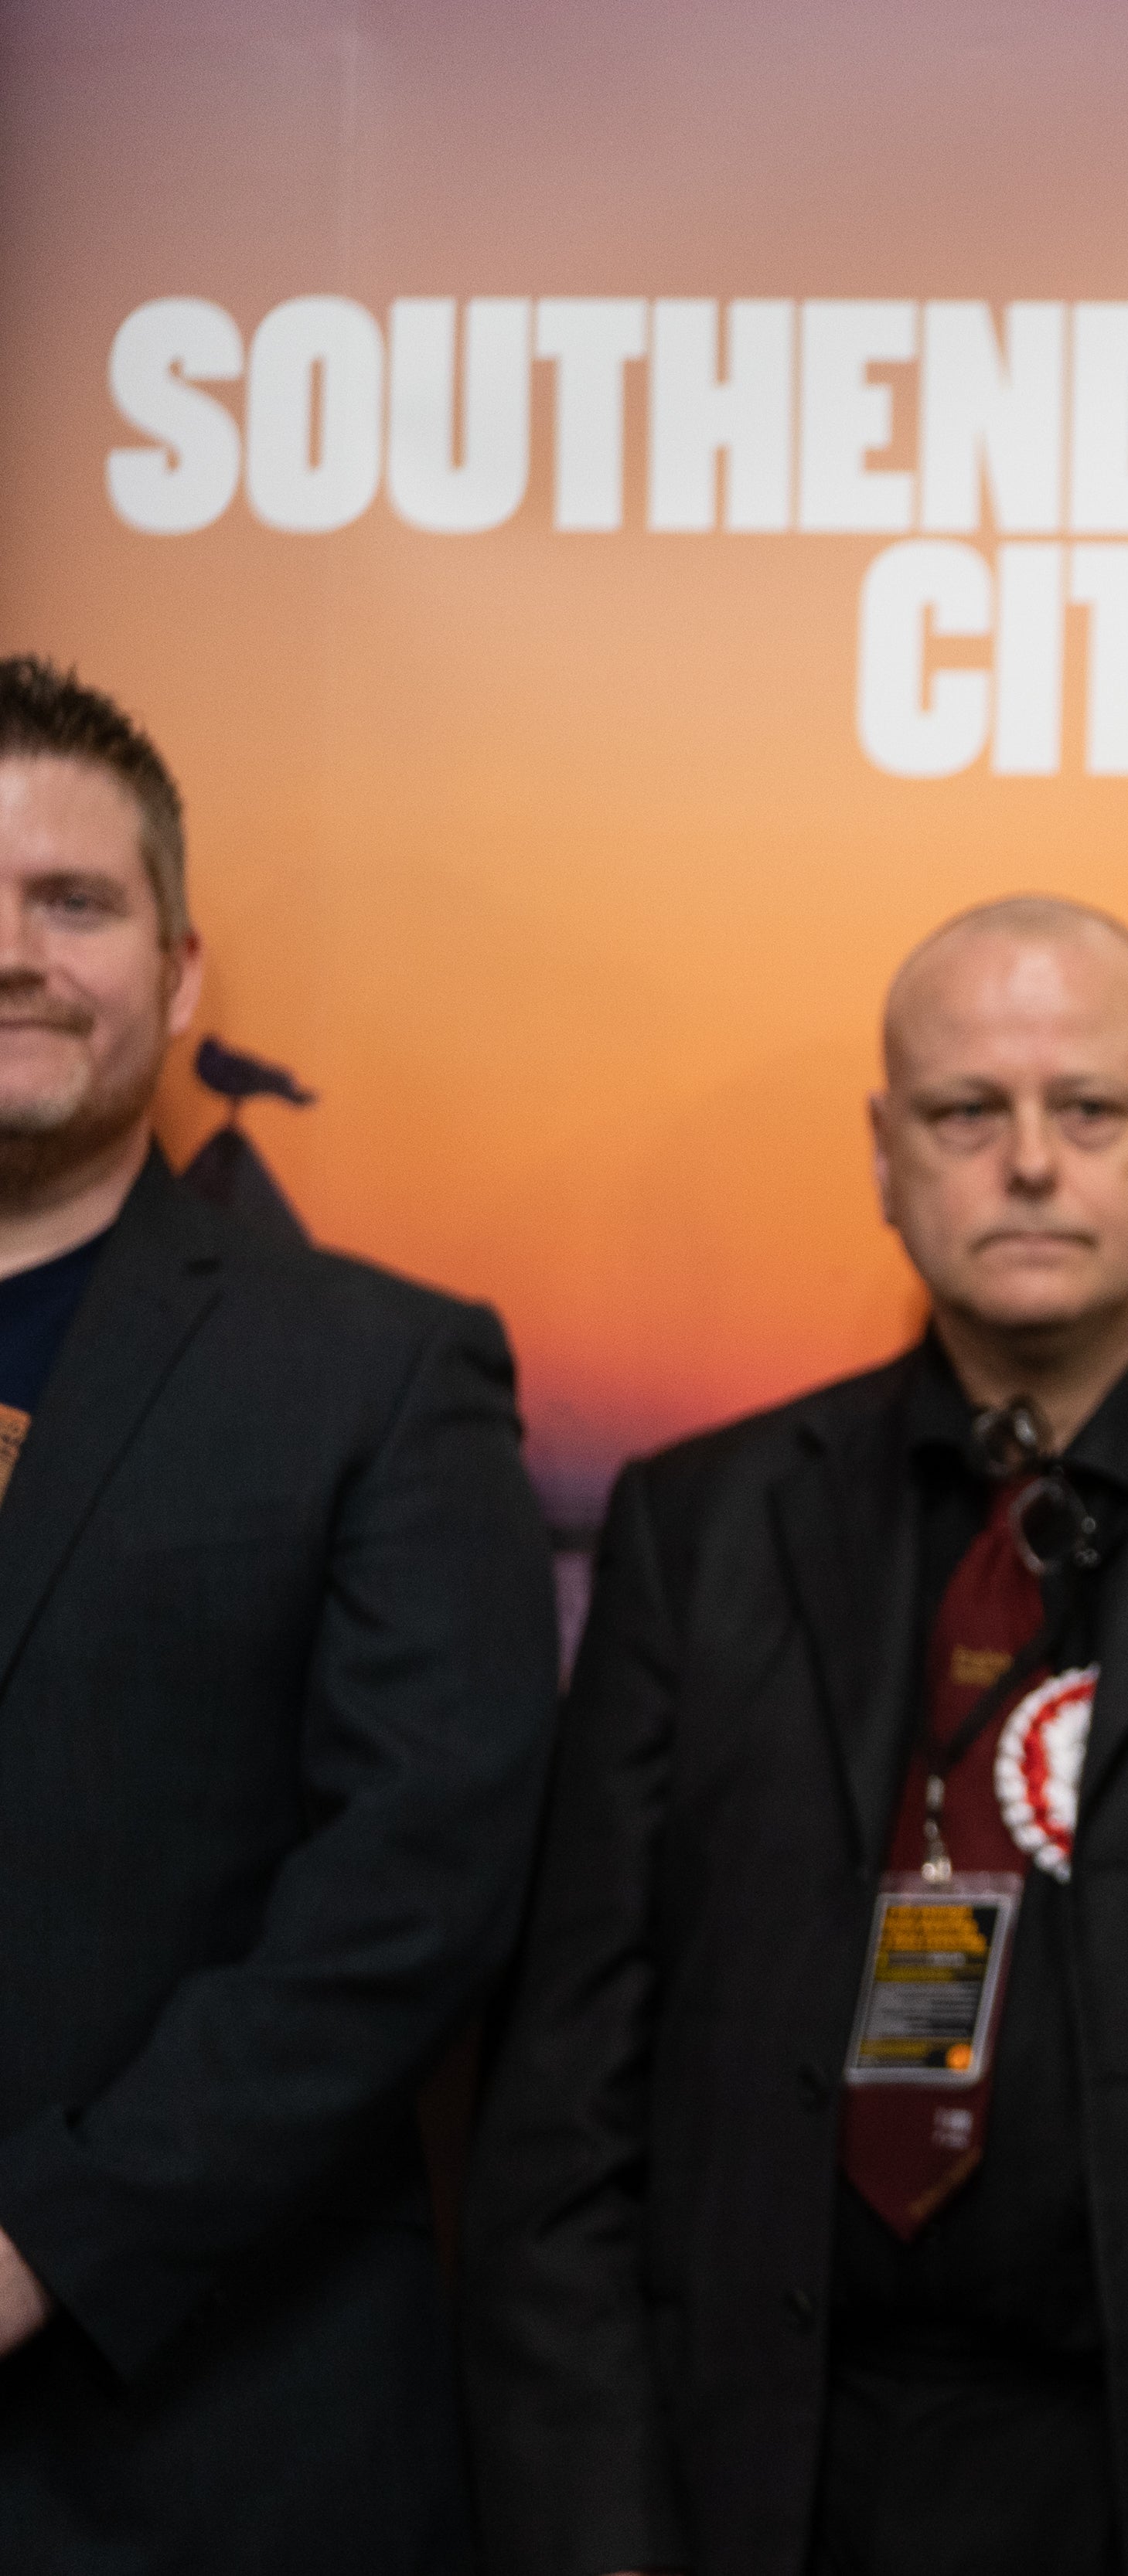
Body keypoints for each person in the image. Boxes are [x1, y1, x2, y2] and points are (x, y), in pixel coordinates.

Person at [458, 900, 1128, 2576]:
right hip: (776, 2479)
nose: (1030, 1160)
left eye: (1088, 1109)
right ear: (887, 1153)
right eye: (968, 1112)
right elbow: (560, 2130)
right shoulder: (700, 1530)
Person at [0, 656, 562, 2567]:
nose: (14, 953)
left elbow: (412, 1891)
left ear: (180, 971)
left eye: (70, 902)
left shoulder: (378, 1372)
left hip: (215, 2447)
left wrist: (48, 2242)